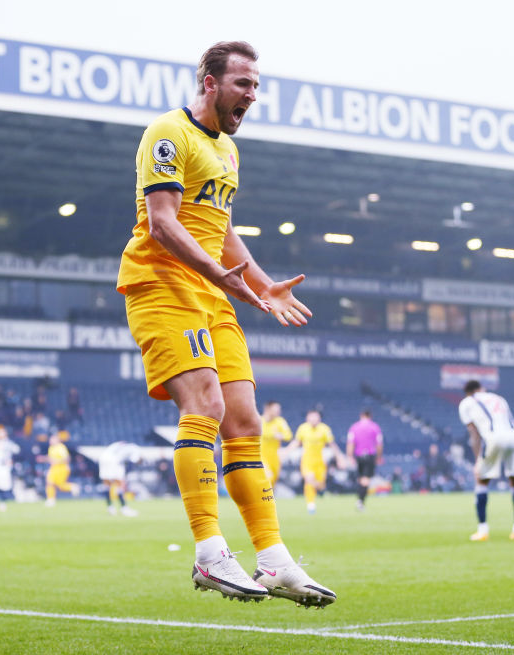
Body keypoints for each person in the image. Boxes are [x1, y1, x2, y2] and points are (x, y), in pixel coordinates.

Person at [115, 40, 335, 607]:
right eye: (244, 84)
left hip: (214, 291)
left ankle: (273, 559)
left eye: (257, 86)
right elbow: (162, 223)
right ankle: (211, 554)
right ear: (210, 82)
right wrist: (223, 275)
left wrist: (260, 284)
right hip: (163, 283)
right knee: (205, 407)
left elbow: (223, 228)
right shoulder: (168, 134)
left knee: (244, 420)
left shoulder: (229, 153)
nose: (252, 96)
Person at [459, 380, 514, 541]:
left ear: (468, 392)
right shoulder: (498, 398)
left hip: (494, 437)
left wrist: (477, 461)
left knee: (482, 481)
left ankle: (482, 530)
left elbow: (474, 434)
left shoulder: (467, 402)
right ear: (481, 389)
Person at [287, 410, 345, 514]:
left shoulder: (325, 429)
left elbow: (332, 445)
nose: (313, 419)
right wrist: (286, 451)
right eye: (311, 417)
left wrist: (339, 457)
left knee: (319, 485)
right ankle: (311, 505)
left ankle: (321, 490)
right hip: (307, 461)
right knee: (309, 480)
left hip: (320, 462)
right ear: (307, 418)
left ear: (319, 418)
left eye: (315, 417)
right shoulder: (303, 429)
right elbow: (296, 442)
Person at [346, 409, 383, 511]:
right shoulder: (375, 427)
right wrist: (379, 457)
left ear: (361, 415)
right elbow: (379, 444)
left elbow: (350, 443)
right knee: (366, 480)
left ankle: (359, 499)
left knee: (361, 479)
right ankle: (360, 501)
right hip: (370, 455)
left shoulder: (354, 427)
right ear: (370, 416)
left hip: (358, 456)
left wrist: (350, 456)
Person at [98, 440, 140, 517]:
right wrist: (126, 475)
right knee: (120, 485)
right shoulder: (136, 449)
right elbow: (132, 462)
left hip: (103, 458)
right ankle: (124, 508)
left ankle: (110, 507)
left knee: (107, 485)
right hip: (115, 460)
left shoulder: (121, 444)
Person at [260, 401, 292, 485]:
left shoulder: (280, 421)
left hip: (275, 457)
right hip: (261, 456)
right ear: (267, 409)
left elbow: (289, 436)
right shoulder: (259, 421)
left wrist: (281, 436)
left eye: (279, 409)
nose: (279, 411)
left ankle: (267, 497)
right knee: (268, 477)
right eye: (276, 409)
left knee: (273, 481)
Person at [44, 431, 77, 507]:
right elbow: (51, 459)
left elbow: (67, 458)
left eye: (52, 439)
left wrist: (57, 461)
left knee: (60, 485)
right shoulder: (51, 448)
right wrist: (44, 458)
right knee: (49, 482)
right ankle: (51, 499)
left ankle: (72, 487)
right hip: (54, 468)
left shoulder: (61, 447)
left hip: (62, 468)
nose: (50, 441)